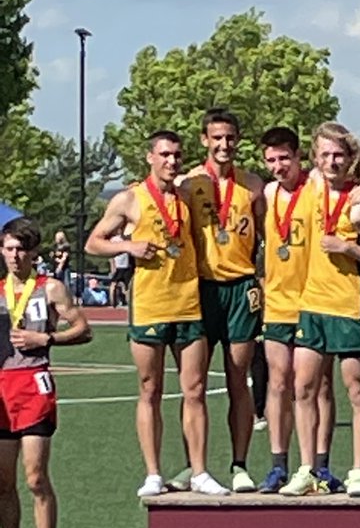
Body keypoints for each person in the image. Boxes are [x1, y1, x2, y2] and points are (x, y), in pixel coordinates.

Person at [86, 130, 228, 498]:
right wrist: (130, 245)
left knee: (194, 389)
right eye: (164, 155)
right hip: (150, 306)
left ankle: (199, 471)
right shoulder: (130, 199)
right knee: (150, 389)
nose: (171, 161)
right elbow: (93, 242)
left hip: (188, 302)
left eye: (177, 155)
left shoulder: (186, 196)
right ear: (150, 157)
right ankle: (152, 473)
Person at [281, 123, 360, 498]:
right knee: (304, 387)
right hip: (312, 304)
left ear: (351, 158)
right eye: (325, 154)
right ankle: (307, 468)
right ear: (315, 157)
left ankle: (359, 469)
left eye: (338, 155)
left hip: (348, 306)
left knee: (356, 390)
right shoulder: (311, 186)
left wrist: (349, 249)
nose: (331, 161)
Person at [173, 109, 266, 493]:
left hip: (241, 288)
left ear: (238, 139)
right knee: (192, 385)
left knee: (237, 380)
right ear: (204, 140)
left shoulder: (254, 185)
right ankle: (191, 466)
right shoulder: (187, 183)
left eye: (230, 138)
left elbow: (265, 237)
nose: (224, 145)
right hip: (200, 288)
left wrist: (263, 281)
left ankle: (239, 464)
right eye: (217, 138)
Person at [0, 217, 92, 528]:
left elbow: (84, 329)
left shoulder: (50, 288)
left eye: (21, 249)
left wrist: (47, 340)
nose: (15, 256)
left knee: (35, 477)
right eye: (9, 248)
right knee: (2, 482)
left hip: (34, 384)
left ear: (34, 252)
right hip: (2, 387)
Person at [257, 126, 342, 494]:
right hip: (277, 303)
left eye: (284, 159)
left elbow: (348, 184)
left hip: (314, 300)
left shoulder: (317, 188)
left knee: (318, 384)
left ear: (299, 157)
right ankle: (279, 465)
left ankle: (320, 465)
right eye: (271, 160)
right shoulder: (268, 193)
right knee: (278, 382)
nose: (278, 167)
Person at [109, 236, 134, 308]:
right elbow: (111, 255)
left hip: (127, 267)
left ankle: (129, 302)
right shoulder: (114, 239)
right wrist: (112, 268)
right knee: (113, 284)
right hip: (118, 267)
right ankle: (113, 302)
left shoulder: (129, 239)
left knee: (127, 286)